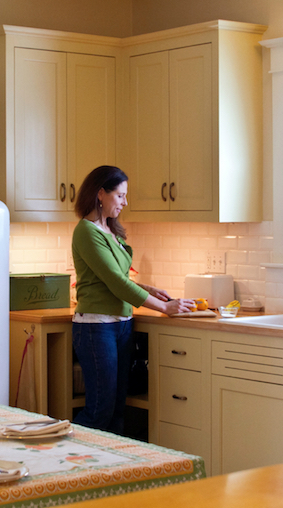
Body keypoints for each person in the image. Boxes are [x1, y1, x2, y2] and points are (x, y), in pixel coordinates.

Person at [71, 165, 194, 434]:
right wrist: (164, 306)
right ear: (100, 194)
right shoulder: (86, 231)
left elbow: (119, 277)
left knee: (116, 409)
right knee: (99, 410)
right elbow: (115, 282)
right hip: (96, 326)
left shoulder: (109, 231)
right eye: (120, 196)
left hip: (121, 325)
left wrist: (150, 290)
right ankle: (60, 460)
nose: (125, 203)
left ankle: (110, 473)